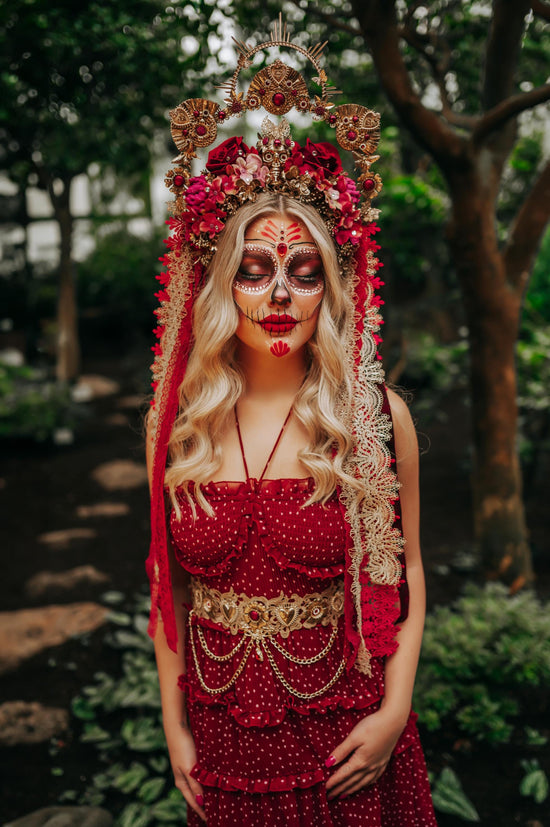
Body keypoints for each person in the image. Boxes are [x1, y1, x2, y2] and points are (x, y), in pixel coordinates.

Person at [145, 19, 437, 827]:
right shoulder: (179, 426)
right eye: (254, 270)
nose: (279, 294)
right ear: (220, 285)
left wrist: (394, 713)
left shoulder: (375, 419)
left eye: (304, 272)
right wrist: (173, 725)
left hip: (348, 739)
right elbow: (168, 585)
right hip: (223, 741)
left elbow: (409, 574)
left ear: (330, 287)